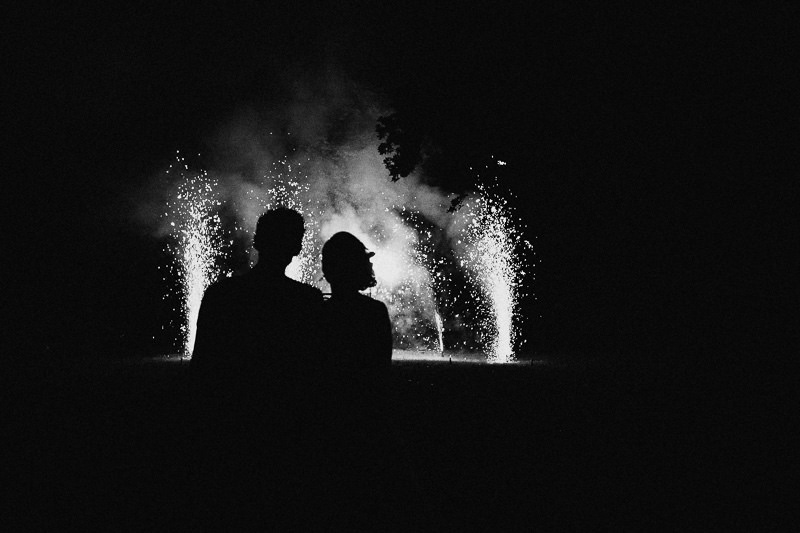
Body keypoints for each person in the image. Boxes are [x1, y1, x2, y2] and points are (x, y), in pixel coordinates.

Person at [190, 207, 324, 528]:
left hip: (230, 428)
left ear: (257, 241)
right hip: (288, 432)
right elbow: (316, 375)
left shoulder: (220, 294)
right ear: (297, 247)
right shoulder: (307, 301)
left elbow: (202, 369)